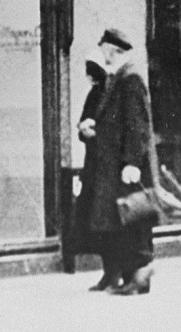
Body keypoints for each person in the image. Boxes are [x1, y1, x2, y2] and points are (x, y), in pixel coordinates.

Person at [81, 28, 155, 296]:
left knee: (131, 221)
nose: (102, 54)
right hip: (112, 166)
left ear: (112, 50)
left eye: (104, 49)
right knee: (118, 222)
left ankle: (138, 277)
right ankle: (124, 276)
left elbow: (137, 126)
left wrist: (132, 163)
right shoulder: (118, 79)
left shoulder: (130, 80)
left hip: (123, 168)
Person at [73, 59, 110, 284]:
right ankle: (108, 269)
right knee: (95, 216)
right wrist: (84, 129)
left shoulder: (108, 93)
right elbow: (82, 125)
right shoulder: (95, 93)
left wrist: (93, 130)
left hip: (105, 164)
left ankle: (113, 271)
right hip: (93, 163)